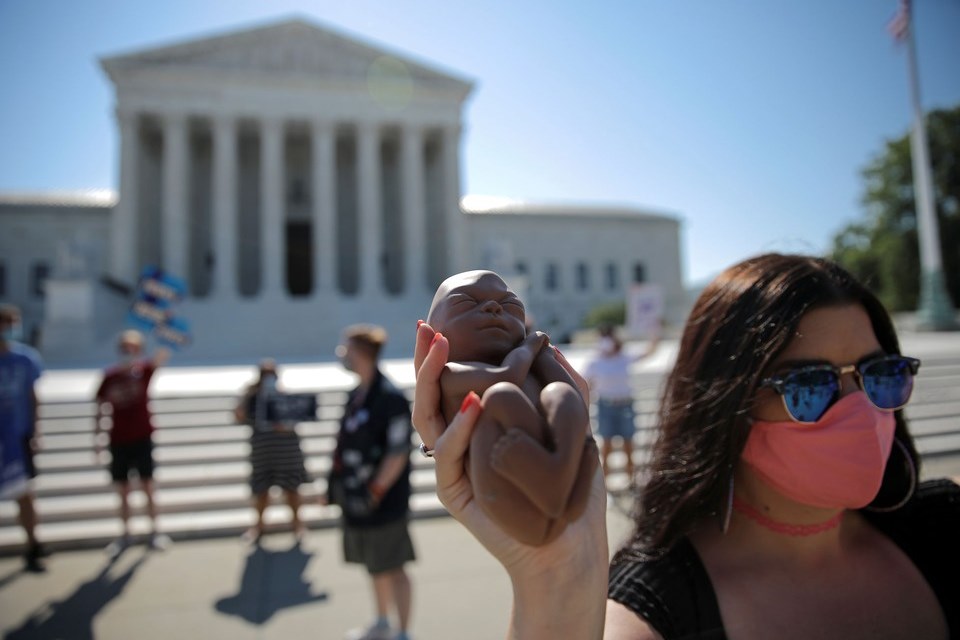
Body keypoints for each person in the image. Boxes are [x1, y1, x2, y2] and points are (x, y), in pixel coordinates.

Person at [412, 253, 960, 639]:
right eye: (808, 385)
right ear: (724, 403)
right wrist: (556, 573)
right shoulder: (659, 611)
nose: (858, 408)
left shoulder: (945, 524)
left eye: (880, 375)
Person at [425, 270, 597, 546]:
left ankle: (559, 475)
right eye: (467, 304)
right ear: (435, 329)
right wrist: (531, 345)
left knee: (562, 395)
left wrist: (545, 357)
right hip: (509, 491)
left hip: (565, 502)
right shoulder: (452, 374)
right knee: (502, 396)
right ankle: (557, 478)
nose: (494, 308)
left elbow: (575, 397)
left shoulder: (528, 362)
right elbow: (506, 377)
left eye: (511, 306)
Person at [323, 324, 416, 640]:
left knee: (394, 564)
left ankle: (403, 631)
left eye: (346, 348)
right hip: (356, 499)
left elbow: (398, 450)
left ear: (361, 353)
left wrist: (376, 489)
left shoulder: (389, 398)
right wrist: (332, 487)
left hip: (383, 501)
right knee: (374, 565)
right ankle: (381, 621)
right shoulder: (357, 395)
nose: (342, 354)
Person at [94, 329, 171, 557]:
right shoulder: (110, 376)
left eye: (134, 348)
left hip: (142, 437)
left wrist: (162, 326)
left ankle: (154, 531)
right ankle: (126, 534)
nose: (129, 352)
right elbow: (99, 408)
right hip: (118, 439)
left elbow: (162, 354)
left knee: (148, 485)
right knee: (123, 489)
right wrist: (96, 438)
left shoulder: (143, 372)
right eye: (125, 347)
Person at [234, 358, 310, 544]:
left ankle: (298, 526)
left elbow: (298, 419)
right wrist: (247, 394)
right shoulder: (253, 399)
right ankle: (258, 527)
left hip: (286, 451)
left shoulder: (284, 397)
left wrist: (283, 425)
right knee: (261, 491)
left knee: (292, 490)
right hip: (263, 452)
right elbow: (238, 416)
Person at [0, 304, 48, 572]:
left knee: (24, 494)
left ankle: (33, 546)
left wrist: (35, 430)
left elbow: (32, 397)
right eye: (7, 323)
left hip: (18, 436)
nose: (11, 329)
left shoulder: (26, 358)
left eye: (14, 323)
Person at [581, 323, 660, 482]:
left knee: (629, 446)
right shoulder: (594, 361)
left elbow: (649, 352)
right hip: (606, 405)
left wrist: (654, 333)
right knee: (607, 447)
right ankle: (604, 483)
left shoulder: (624, 357)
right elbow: (586, 384)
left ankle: (631, 480)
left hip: (625, 405)